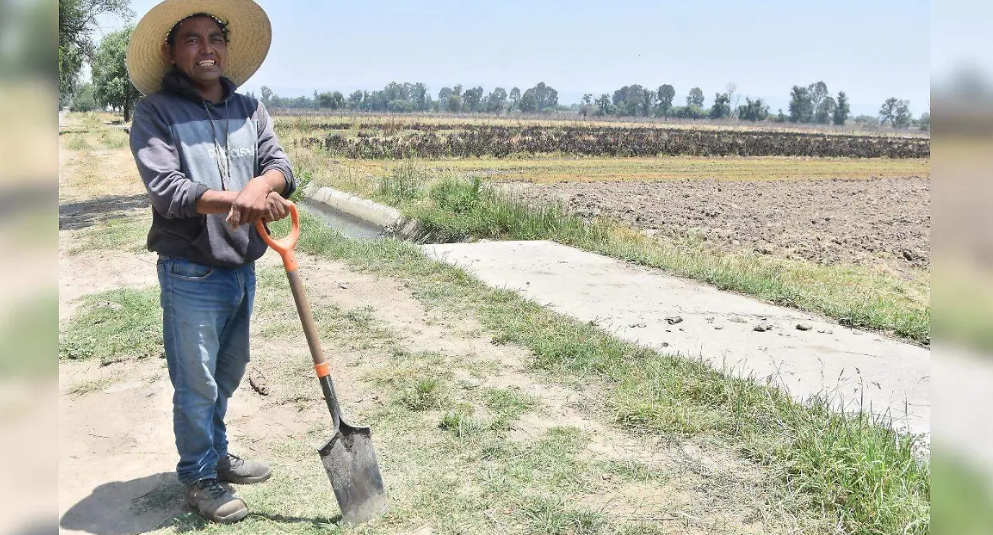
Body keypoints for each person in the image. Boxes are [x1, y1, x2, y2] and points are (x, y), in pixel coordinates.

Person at [126, 0, 294, 523]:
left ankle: (217, 454)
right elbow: (167, 190)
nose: (206, 49)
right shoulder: (155, 111)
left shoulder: (249, 109)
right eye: (192, 40)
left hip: (242, 266)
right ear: (171, 52)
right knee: (195, 381)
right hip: (190, 269)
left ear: (227, 47)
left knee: (228, 370)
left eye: (214, 38)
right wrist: (237, 200)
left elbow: (280, 164)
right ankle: (199, 477)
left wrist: (262, 185)